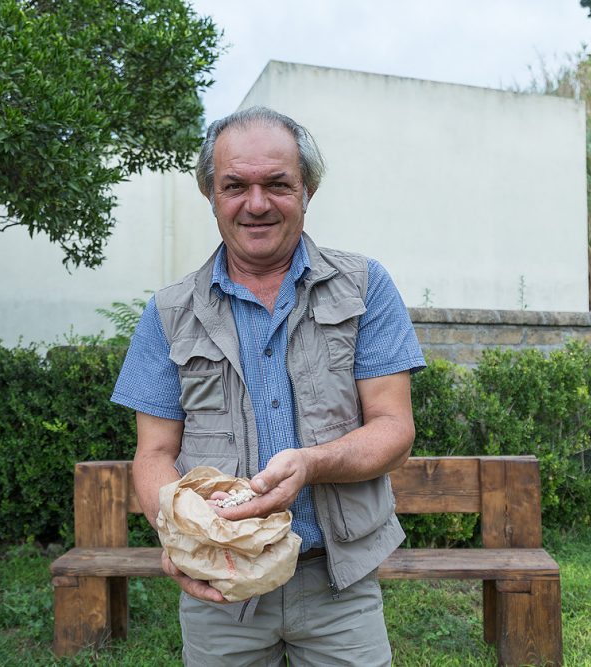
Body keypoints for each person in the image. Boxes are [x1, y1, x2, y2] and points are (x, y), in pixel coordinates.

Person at [111, 106, 425, 666]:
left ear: (308, 190)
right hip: (221, 587)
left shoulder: (365, 287)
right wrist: (175, 534)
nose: (256, 203)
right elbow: (153, 453)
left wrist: (313, 462)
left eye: (277, 184)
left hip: (337, 583)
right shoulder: (168, 312)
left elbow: (394, 429)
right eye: (235, 185)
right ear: (211, 194)